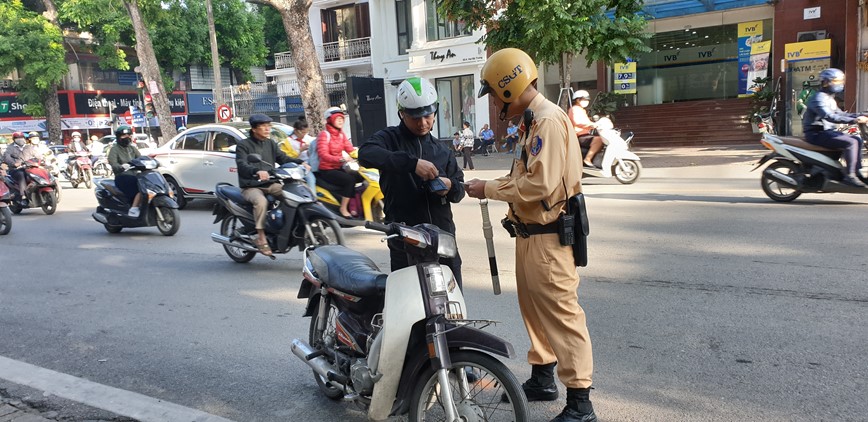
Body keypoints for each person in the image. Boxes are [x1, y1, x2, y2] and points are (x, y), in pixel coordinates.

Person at [465, 48, 596, 422]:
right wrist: (487, 185)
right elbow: (520, 176)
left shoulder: (549, 122)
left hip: (550, 236)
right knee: (534, 309)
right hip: (529, 235)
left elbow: (539, 185)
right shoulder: (531, 121)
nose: (492, 100)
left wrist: (488, 189)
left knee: (563, 316)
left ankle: (581, 404)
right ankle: (542, 378)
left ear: (509, 87)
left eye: (493, 92)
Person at [359, 76, 466, 286]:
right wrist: (412, 164)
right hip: (404, 240)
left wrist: (450, 186)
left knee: (452, 309)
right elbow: (366, 154)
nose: (423, 123)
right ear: (402, 114)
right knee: (409, 309)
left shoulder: (443, 151)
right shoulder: (389, 139)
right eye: (415, 117)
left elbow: (459, 188)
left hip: (442, 241)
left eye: (428, 115)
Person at [235, 114, 307, 256]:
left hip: (270, 184)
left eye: (269, 126)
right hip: (251, 186)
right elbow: (242, 164)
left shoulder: (271, 143)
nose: (268, 129)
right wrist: (257, 171)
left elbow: (283, 158)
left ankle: (285, 228)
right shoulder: (243, 145)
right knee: (261, 202)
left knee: (293, 195)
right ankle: (261, 237)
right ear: (254, 129)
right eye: (264, 126)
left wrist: (301, 163)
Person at [802, 68, 868, 187]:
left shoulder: (829, 98)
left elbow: (841, 114)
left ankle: (857, 173)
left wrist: (860, 115)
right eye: (836, 81)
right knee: (851, 142)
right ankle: (850, 175)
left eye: (841, 81)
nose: (840, 84)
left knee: (857, 139)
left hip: (828, 132)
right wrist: (855, 120)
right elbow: (829, 116)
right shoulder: (819, 98)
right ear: (826, 82)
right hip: (816, 134)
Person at [315, 107, 362, 218]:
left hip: (339, 167)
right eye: (338, 119)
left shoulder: (341, 135)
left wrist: (364, 155)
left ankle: (355, 204)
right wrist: (340, 159)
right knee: (349, 180)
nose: (341, 121)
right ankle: (343, 208)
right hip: (327, 170)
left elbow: (350, 149)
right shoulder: (324, 135)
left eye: (342, 118)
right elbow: (323, 154)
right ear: (330, 120)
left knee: (360, 176)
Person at [107, 126, 145, 217]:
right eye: (124, 135)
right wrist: (121, 167)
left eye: (129, 135)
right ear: (119, 137)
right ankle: (134, 208)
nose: (127, 137)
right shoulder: (114, 149)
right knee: (138, 187)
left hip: (136, 175)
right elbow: (113, 163)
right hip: (122, 176)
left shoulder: (132, 148)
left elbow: (141, 158)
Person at [568, 90, 603, 168]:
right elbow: (577, 122)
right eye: (584, 99)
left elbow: (586, 121)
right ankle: (587, 159)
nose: (586, 101)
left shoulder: (581, 110)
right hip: (579, 135)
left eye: (587, 100)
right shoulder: (574, 109)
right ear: (578, 100)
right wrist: (591, 125)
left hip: (585, 134)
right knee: (598, 140)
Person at [2, 132, 39, 202]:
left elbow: (37, 155)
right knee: (21, 175)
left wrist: (41, 159)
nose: (20, 139)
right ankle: (23, 195)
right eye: (18, 138)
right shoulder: (10, 148)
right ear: (14, 139)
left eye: (21, 138)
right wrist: (14, 163)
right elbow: (6, 157)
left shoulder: (28, 147)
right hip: (16, 169)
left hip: (29, 167)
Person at [284, 118, 317, 192]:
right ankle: (313, 197)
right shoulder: (288, 141)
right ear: (295, 130)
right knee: (311, 179)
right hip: (298, 165)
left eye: (306, 132)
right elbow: (287, 157)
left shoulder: (307, 138)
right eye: (302, 132)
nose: (304, 135)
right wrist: (300, 150)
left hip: (309, 162)